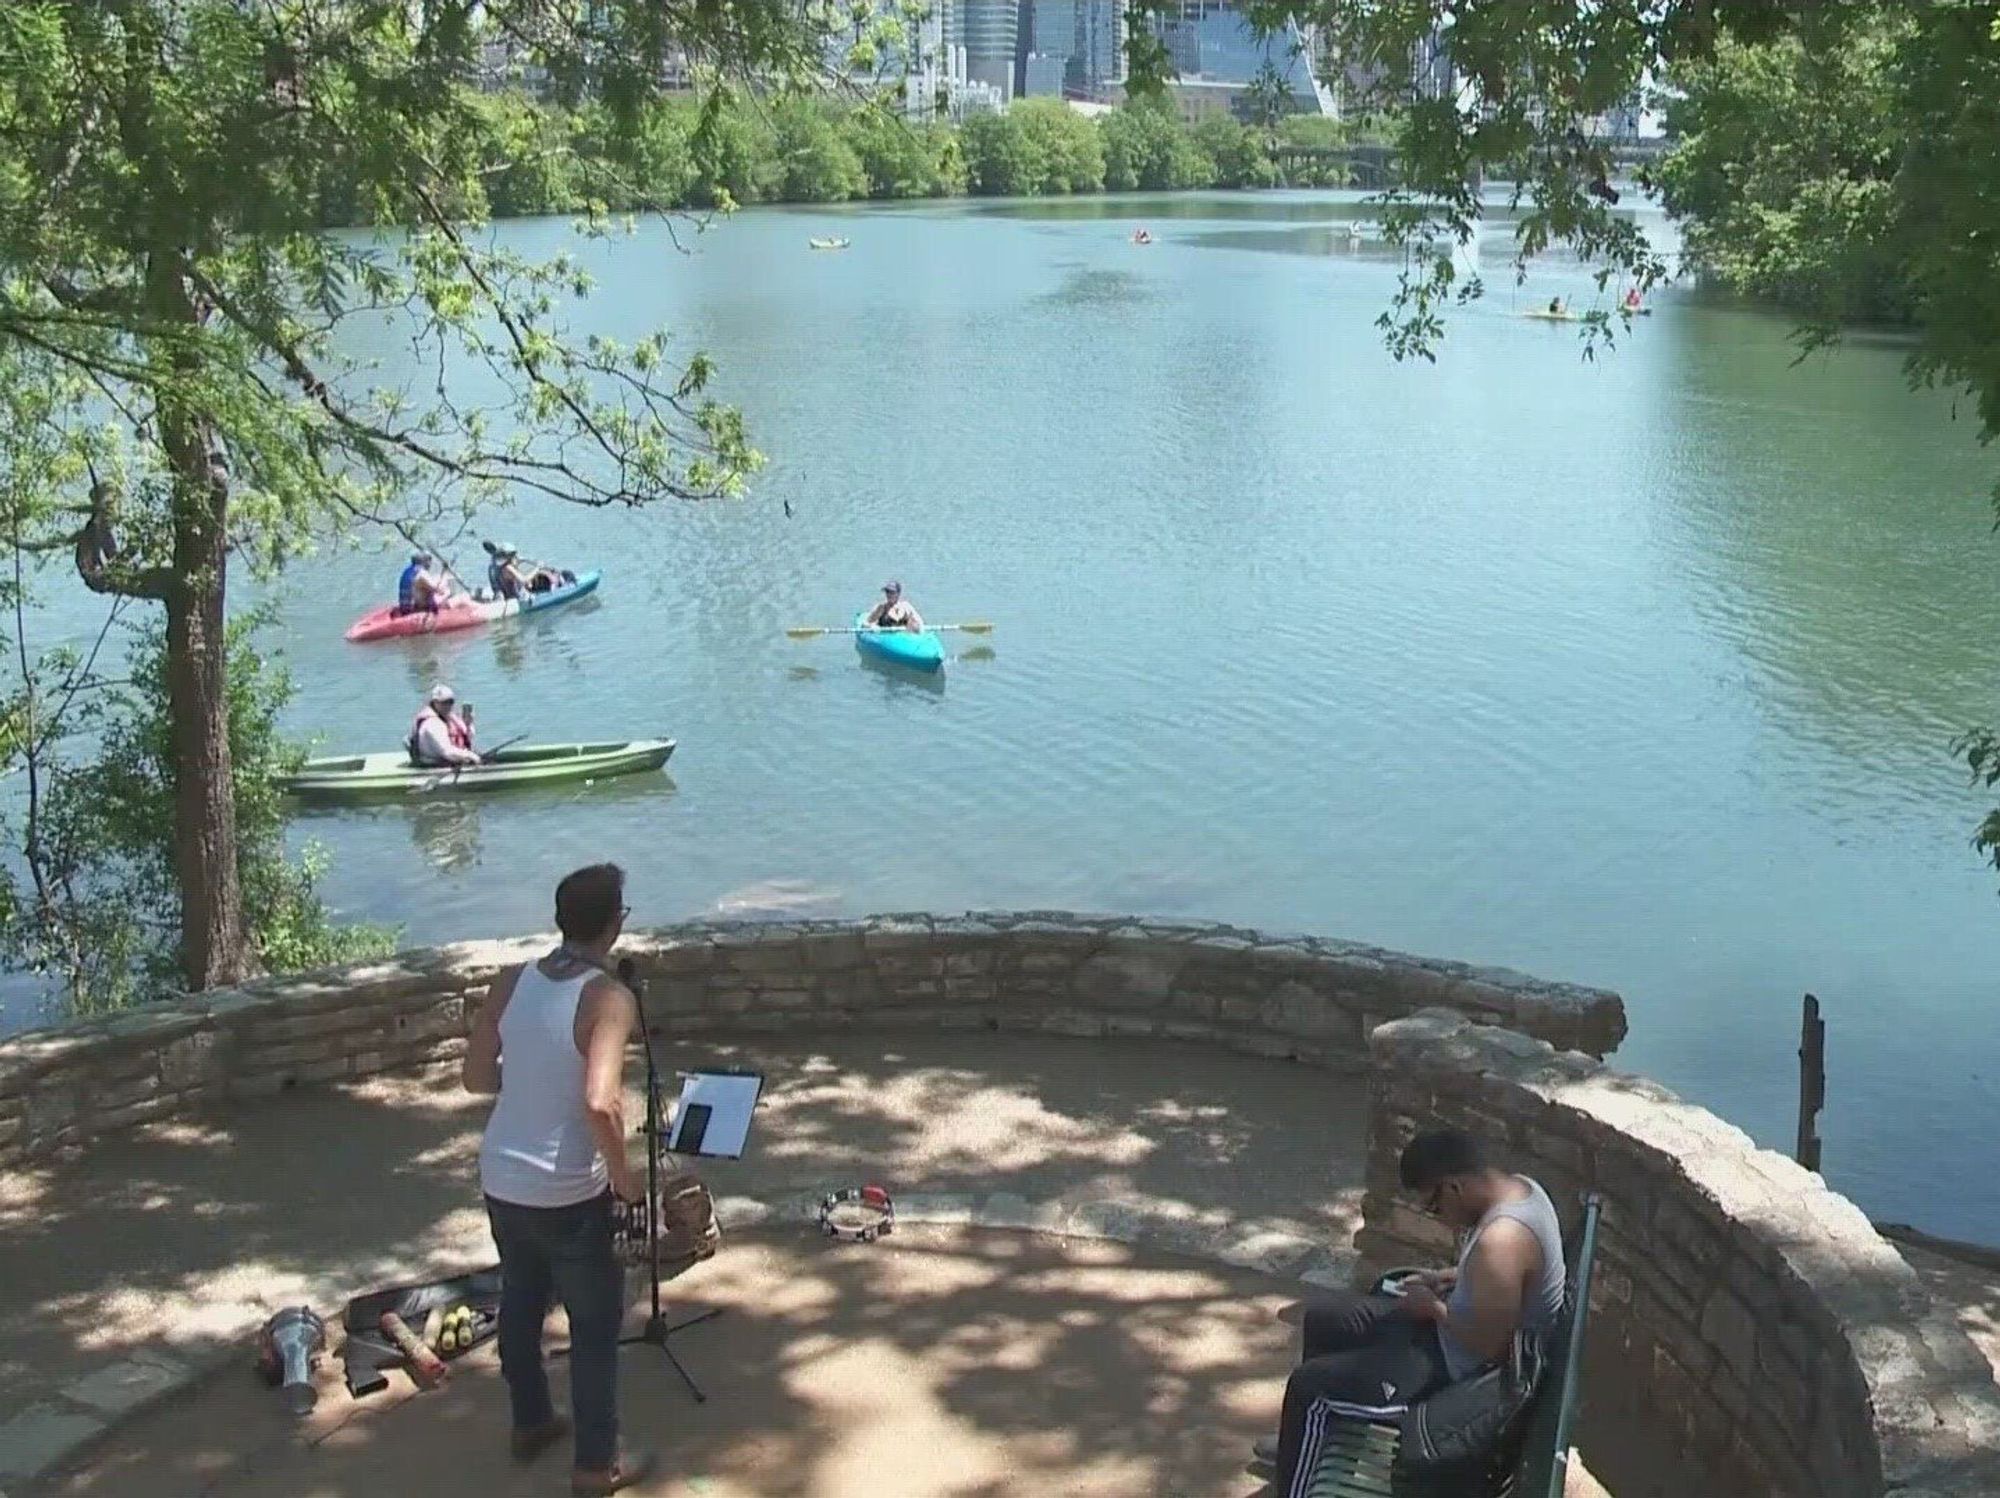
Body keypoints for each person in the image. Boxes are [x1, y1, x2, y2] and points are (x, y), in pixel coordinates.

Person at [464, 864, 654, 1496]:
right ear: (614, 924)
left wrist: (529, 1087)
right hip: (568, 1189)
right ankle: (596, 1466)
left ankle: (532, 1423)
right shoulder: (608, 998)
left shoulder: (512, 981)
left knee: (521, 1297)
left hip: (502, 1176)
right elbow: (602, 1104)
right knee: (595, 1325)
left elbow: (475, 1077)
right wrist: (625, 1181)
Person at [1262, 1128, 1566, 1496]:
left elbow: (1492, 1348)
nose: (1438, 1217)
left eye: (1434, 1206)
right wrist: (1452, 1278)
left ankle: (1294, 1479)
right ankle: (1305, 1442)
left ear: (1454, 1186)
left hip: (1466, 1376)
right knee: (1326, 1319)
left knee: (1309, 1389)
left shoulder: (1501, 1241)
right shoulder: (1520, 1189)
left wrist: (1434, 1309)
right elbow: (1510, 1280)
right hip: (1454, 1340)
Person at [407, 683, 480, 768]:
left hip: (449, 761)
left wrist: (467, 724)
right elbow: (447, 752)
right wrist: (471, 756)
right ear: (434, 703)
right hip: (433, 765)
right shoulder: (432, 724)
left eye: (450, 702)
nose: (447, 706)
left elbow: (467, 739)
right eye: (443, 703)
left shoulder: (450, 717)